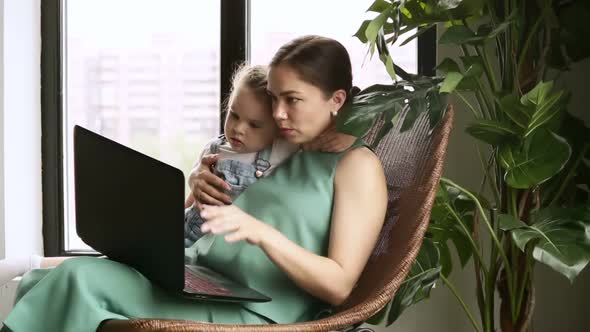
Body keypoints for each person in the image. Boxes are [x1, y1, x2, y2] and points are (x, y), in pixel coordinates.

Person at [1, 35, 387, 332]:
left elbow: (340, 286)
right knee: (40, 280)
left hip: (261, 313)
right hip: (201, 279)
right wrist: (199, 181)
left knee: (76, 280)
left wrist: (261, 233)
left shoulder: (357, 167)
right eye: (273, 98)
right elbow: (227, 182)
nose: (278, 112)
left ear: (337, 99)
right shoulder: (283, 144)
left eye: (293, 100)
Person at [183, 63, 299, 247]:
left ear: (278, 128)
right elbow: (193, 201)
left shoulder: (281, 150)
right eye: (234, 115)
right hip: (188, 237)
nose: (238, 129)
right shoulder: (213, 149)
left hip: (224, 249)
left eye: (254, 125)